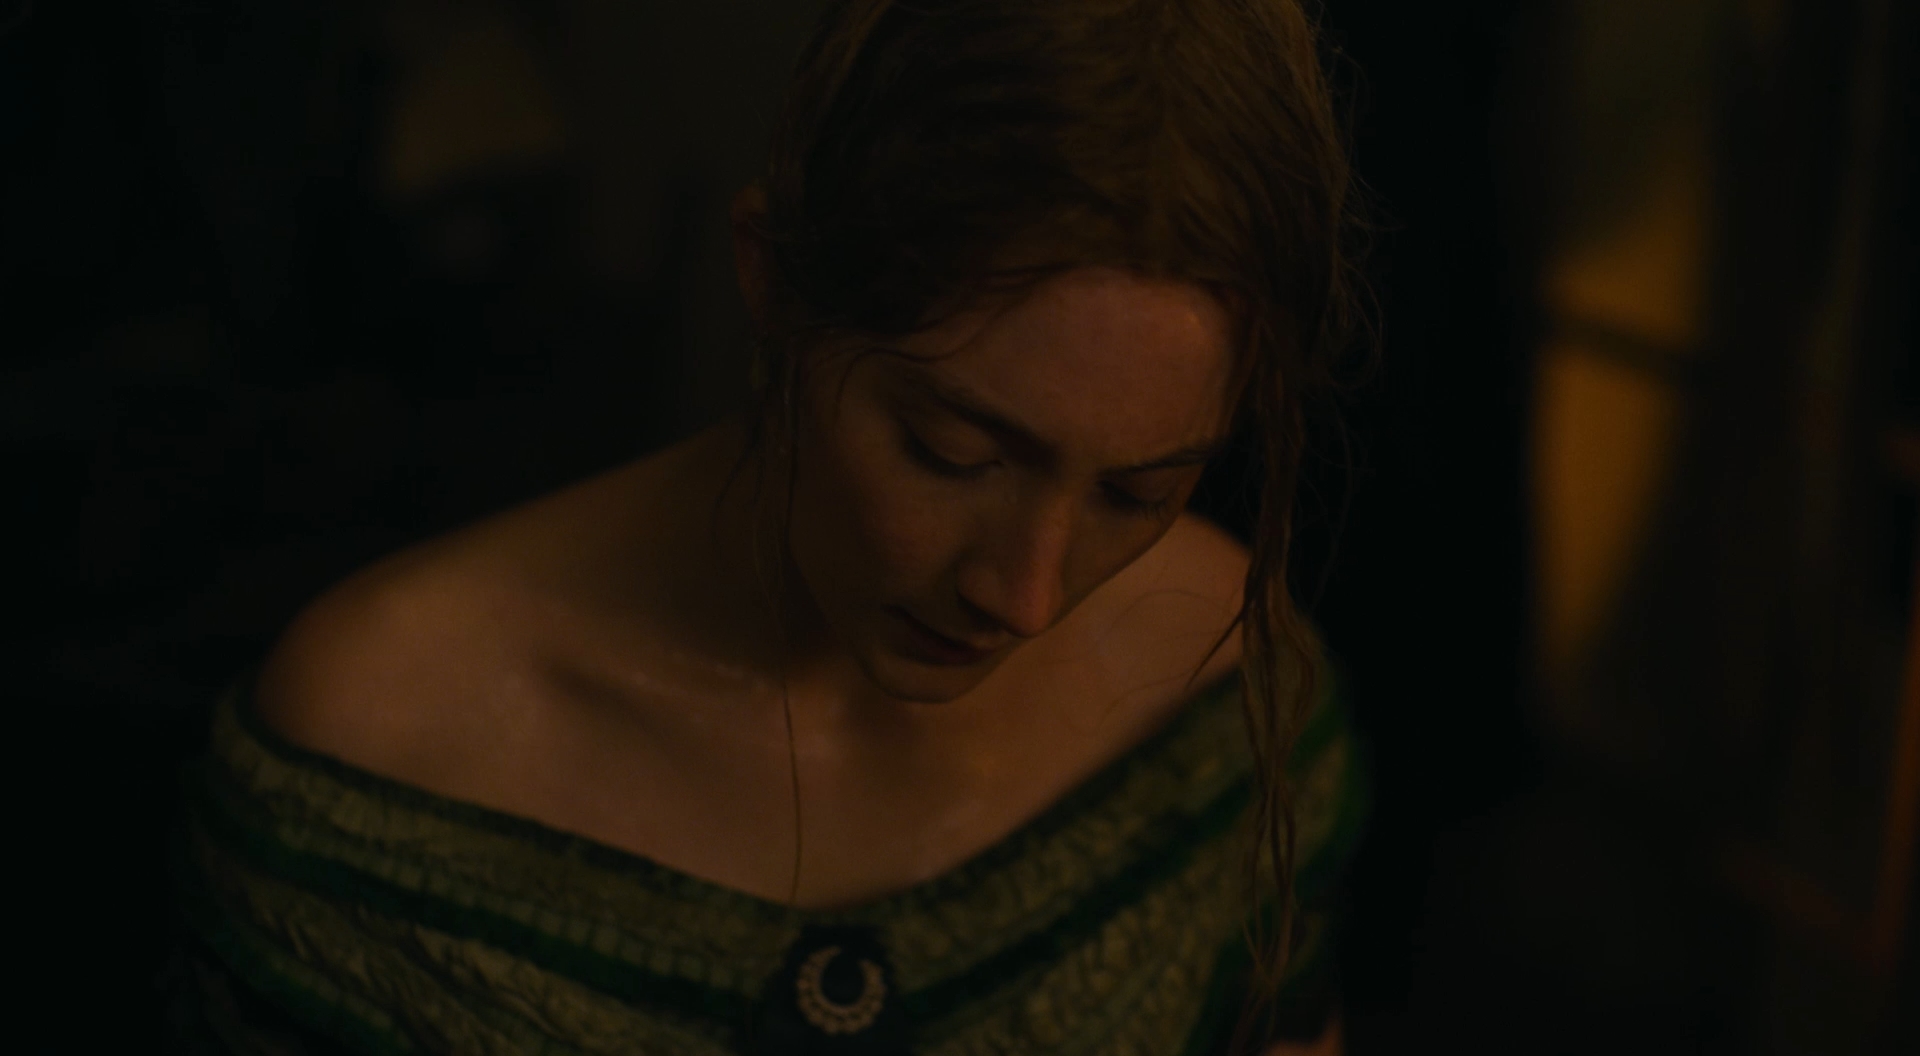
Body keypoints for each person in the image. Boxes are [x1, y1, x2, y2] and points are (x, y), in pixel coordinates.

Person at [169, 0, 1371, 1052]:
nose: (1027, 595)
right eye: (950, 453)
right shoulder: (384, 749)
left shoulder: (1211, 694)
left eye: (1137, 494)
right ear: (775, 280)